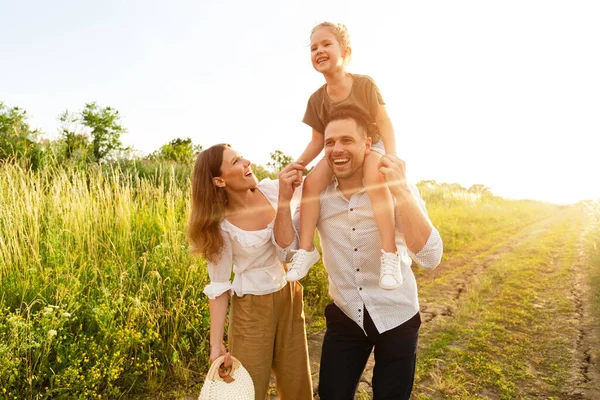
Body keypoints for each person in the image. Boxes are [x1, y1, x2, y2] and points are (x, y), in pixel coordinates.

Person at [274, 107, 444, 399]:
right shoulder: (317, 196)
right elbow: (287, 254)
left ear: (368, 145)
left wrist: (401, 190)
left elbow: (430, 257)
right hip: (345, 314)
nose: (337, 149)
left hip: (397, 313)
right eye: (329, 143)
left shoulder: (391, 188)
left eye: (347, 140)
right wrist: (283, 200)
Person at [188, 144, 312, 400]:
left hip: (289, 295)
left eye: (241, 157)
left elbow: (312, 182)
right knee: (248, 389)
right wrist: (216, 345)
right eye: (236, 162)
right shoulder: (220, 226)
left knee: (297, 384)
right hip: (252, 310)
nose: (247, 162)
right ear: (219, 180)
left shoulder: (271, 190)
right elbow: (219, 286)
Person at [288, 21, 403, 291]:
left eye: (327, 44)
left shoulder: (364, 85)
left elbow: (384, 122)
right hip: (339, 152)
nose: (319, 51)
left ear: (346, 52)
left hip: (371, 146)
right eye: (314, 47)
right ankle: (305, 250)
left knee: (374, 173)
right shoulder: (317, 100)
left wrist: (392, 156)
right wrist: (299, 165)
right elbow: (318, 141)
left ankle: (389, 253)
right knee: (312, 184)